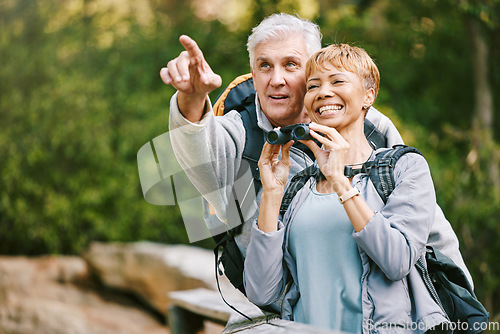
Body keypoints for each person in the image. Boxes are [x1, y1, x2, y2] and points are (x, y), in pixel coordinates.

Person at [243, 44, 449, 333]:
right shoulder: (299, 187)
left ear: (369, 95)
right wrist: (272, 193)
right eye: (313, 85)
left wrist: (340, 180)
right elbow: (261, 292)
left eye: (338, 81)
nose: (323, 92)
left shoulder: (405, 167)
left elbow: (397, 261)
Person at [161, 13, 403, 257]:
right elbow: (198, 149)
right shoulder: (240, 137)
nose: (276, 80)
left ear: (311, 72)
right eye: (265, 65)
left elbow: (419, 220)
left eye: (290, 64)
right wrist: (192, 97)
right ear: (253, 77)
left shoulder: (369, 125)